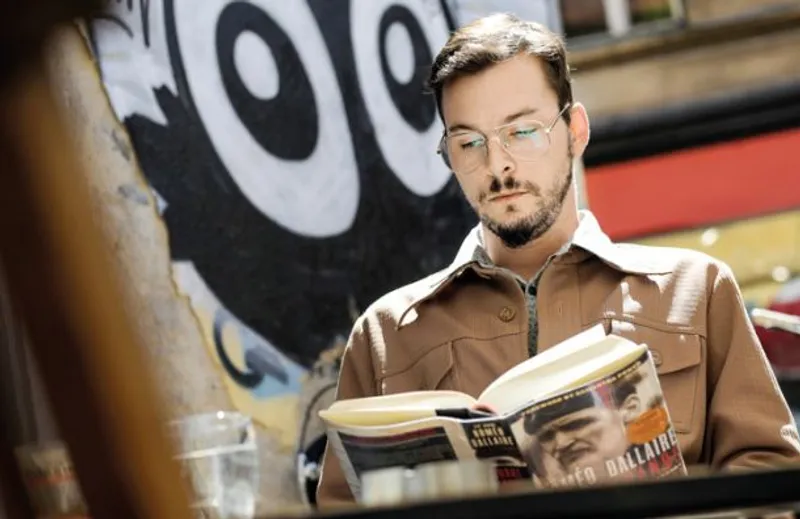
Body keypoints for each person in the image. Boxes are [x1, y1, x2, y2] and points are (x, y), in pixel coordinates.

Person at [316, 12, 800, 508]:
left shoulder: (696, 290)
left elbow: (770, 483)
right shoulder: (384, 336)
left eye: (523, 132)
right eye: (469, 143)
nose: (498, 164)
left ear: (575, 131)